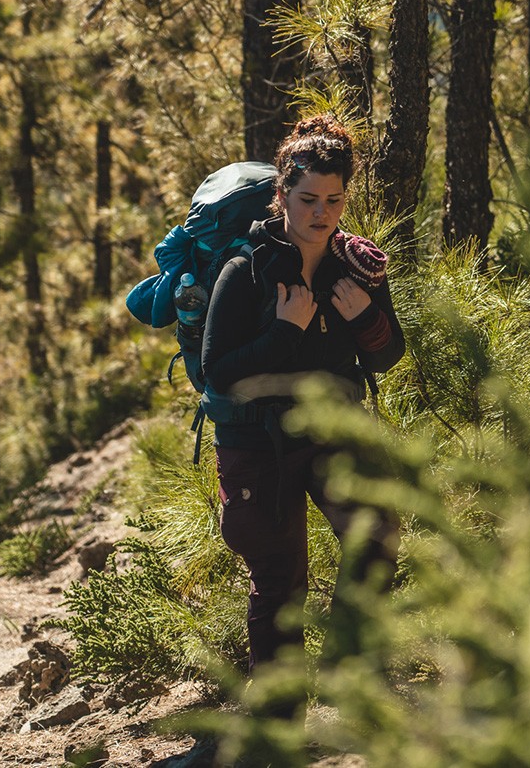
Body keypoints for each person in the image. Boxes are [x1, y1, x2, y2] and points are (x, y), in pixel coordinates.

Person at [200, 114, 405, 687]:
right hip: (257, 445)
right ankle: (278, 722)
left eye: (334, 200)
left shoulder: (357, 268)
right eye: (309, 197)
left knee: (377, 534)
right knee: (282, 580)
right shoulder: (246, 270)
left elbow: (389, 355)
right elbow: (220, 373)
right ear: (283, 193)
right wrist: (285, 331)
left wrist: (364, 317)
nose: (321, 212)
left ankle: (350, 672)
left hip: (334, 432)